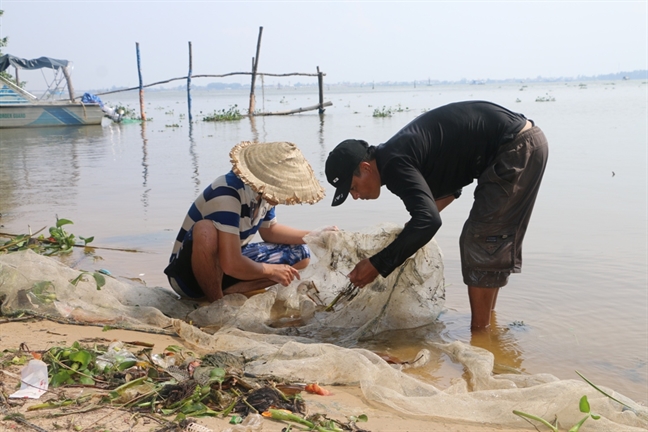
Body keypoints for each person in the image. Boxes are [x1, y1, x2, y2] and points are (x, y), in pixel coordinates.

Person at [325, 101, 548, 330]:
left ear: (366, 168)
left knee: (481, 239)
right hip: (522, 143)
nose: (355, 196)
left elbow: (429, 221)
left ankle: (481, 336)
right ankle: (488, 326)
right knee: (488, 238)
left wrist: (377, 264)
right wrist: (408, 238)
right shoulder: (396, 156)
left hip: (514, 148)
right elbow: (450, 191)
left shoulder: (394, 164)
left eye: (352, 187)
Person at [165, 141, 325, 302]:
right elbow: (231, 263)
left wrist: (316, 236)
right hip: (188, 276)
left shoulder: (265, 195)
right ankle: (217, 303)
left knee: (301, 253)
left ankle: (230, 290)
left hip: (228, 261)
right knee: (205, 230)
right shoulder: (227, 193)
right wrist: (271, 271)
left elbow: (270, 231)